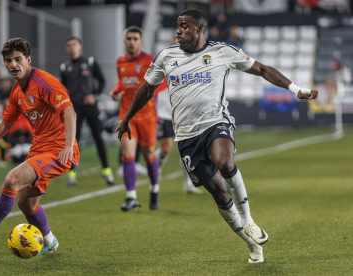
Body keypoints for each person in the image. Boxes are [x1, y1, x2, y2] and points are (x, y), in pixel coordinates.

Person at [117, 9, 318, 263]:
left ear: (200, 29)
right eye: (178, 26)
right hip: (187, 138)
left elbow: (263, 69)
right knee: (220, 195)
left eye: (185, 26)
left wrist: (295, 89)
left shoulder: (223, 52)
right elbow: (146, 90)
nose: (178, 30)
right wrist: (126, 118)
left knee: (225, 163)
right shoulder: (166, 57)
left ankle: (249, 220)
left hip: (216, 123)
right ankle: (251, 245)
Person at [0, 38, 79, 255]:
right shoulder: (17, 92)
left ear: (28, 60)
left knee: (12, 179)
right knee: (26, 204)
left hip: (59, 150)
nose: (13, 64)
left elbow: (69, 112)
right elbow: (5, 125)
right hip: (39, 149)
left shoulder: (45, 82)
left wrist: (69, 146)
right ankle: (50, 241)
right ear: (4, 64)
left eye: (18, 59)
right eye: (8, 60)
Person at [110, 26, 165, 211]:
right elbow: (122, 81)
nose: (132, 42)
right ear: (125, 42)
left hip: (148, 116)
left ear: (140, 42)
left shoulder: (150, 61)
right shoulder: (120, 62)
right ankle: (131, 197)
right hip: (126, 115)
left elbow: (163, 83)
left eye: (135, 39)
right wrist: (116, 90)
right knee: (127, 155)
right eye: (129, 38)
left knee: (149, 154)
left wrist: (148, 92)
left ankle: (154, 188)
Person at [60, 36, 114, 186]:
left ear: (80, 46)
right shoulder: (65, 67)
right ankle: (71, 174)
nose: (71, 47)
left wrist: (94, 95)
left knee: (98, 137)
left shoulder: (89, 62)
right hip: (74, 109)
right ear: (66, 48)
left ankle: (107, 171)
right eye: (68, 45)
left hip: (90, 106)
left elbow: (102, 80)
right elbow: (63, 89)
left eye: (74, 45)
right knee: (73, 140)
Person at [155, 36, 202, 194]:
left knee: (187, 150)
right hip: (165, 112)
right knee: (166, 149)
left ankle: (188, 183)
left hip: (183, 112)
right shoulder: (163, 60)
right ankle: (156, 168)